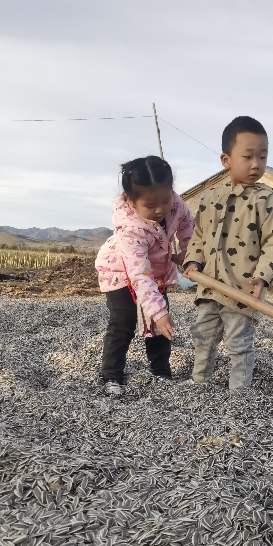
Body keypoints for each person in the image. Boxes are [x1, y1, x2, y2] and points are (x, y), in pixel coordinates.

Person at [183, 116, 273, 390]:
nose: (256, 164)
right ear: (226, 159)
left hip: (243, 289)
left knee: (238, 342)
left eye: (263, 157)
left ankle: (240, 395)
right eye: (248, 156)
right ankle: (199, 384)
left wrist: (262, 277)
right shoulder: (211, 197)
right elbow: (199, 234)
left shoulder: (266, 199)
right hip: (210, 286)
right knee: (203, 337)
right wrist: (193, 261)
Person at [95, 156, 194, 396]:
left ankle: (160, 370)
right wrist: (157, 312)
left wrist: (188, 252)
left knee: (162, 325)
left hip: (156, 272)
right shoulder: (131, 230)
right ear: (131, 201)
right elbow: (139, 276)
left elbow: (187, 224)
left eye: (165, 199)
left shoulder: (176, 204)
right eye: (150, 205)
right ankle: (111, 375)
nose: (160, 209)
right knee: (124, 323)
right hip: (120, 273)